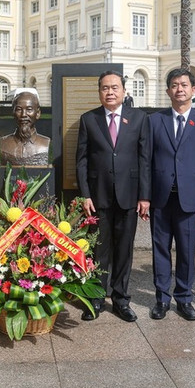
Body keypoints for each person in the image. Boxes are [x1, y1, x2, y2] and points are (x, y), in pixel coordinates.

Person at [76, 71, 150, 322]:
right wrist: (85, 194)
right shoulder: (89, 119)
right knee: (99, 251)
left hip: (129, 196)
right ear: (99, 92)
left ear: (123, 91)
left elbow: (144, 160)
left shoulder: (139, 119)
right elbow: (82, 161)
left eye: (115, 87)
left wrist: (144, 196)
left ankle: (120, 299)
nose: (110, 92)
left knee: (124, 250)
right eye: (105, 88)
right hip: (98, 197)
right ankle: (95, 298)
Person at [147, 69, 195, 321]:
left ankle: (184, 298)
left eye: (184, 85)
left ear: (193, 90)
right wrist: (145, 197)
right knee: (160, 250)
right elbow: (146, 162)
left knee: (187, 251)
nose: (180, 89)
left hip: (190, 199)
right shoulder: (154, 121)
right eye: (174, 85)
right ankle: (162, 298)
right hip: (160, 198)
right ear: (168, 91)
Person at [0, 91, 51, 166]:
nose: (23, 115)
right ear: (13, 113)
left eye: (29, 109)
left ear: (38, 113)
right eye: (19, 109)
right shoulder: (4, 142)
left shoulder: (45, 143)